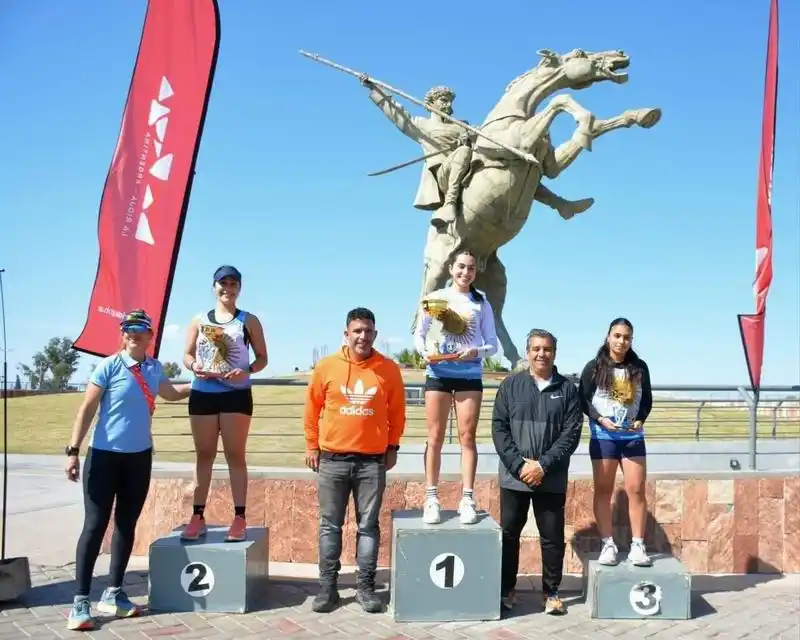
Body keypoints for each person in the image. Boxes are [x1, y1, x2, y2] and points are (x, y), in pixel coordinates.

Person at [64, 310, 191, 631]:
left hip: (139, 458)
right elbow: (87, 409)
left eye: (140, 329)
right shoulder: (109, 366)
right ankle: (80, 601)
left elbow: (171, 394)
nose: (134, 334)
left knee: (126, 525)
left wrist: (201, 382)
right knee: (94, 525)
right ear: (123, 335)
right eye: (128, 329)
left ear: (150, 336)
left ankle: (114, 593)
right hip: (103, 457)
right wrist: (73, 450)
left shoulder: (154, 368)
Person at [360, 78, 595, 230]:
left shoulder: (463, 125)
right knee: (462, 152)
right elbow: (396, 114)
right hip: (445, 173)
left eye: (449, 101)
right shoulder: (421, 125)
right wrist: (375, 91)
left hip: (470, 168)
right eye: (443, 100)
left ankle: (560, 204)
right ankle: (449, 205)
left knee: (515, 168)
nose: (448, 105)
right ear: (430, 102)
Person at [303, 307, 406, 614]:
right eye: (357, 331)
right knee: (329, 526)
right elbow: (311, 409)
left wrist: (392, 447)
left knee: (368, 526)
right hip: (332, 460)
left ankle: (365, 588)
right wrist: (311, 446)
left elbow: (397, 413)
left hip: (371, 463)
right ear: (346, 334)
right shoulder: (326, 367)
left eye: (368, 331)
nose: (363, 336)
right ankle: (327, 589)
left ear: (375, 334)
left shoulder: (388, 369)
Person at [491, 329, 583, 616]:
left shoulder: (568, 390)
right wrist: (520, 466)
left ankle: (551, 593)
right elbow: (499, 429)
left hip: (550, 478)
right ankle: (507, 590)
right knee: (509, 535)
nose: (541, 354)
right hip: (514, 478)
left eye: (547, 349)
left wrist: (542, 465)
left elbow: (571, 434)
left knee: (552, 537)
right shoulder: (510, 386)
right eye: (536, 349)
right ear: (527, 352)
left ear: (554, 353)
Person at [181, 265, 268, 543]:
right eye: (222, 283)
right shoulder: (198, 320)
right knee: (204, 455)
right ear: (214, 286)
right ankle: (197, 515)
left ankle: (239, 517)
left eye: (233, 284)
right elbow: (186, 353)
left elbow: (262, 358)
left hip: (236, 394)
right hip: (203, 393)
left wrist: (248, 371)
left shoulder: (248, 320)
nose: (227, 289)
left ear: (239, 288)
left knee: (235, 455)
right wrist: (193, 364)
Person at [413, 249, 499, 525]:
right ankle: (431, 498)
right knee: (435, 437)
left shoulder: (481, 303)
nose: (465, 272)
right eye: (460, 267)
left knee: (467, 438)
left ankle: (467, 498)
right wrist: (424, 351)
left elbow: (492, 344)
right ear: (451, 268)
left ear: (476, 272)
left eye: (470, 268)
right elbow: (420, 334)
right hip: (438, 372)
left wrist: (476, 352)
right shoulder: (435, 298)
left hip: (469, 376)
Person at [578, 317, 653, 567]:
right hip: (604, 437)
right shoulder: (594, 367)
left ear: (632, 340)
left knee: (636, 489)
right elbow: (583, 401)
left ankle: (638, 545)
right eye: (617, 335)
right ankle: (607, 544)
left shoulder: (640, 367)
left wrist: (640, 419)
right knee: (604, 490)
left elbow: (647, 400)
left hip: (632, 438)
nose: (622, 341)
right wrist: (600, 419)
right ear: (608, 337)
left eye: (627, 337)